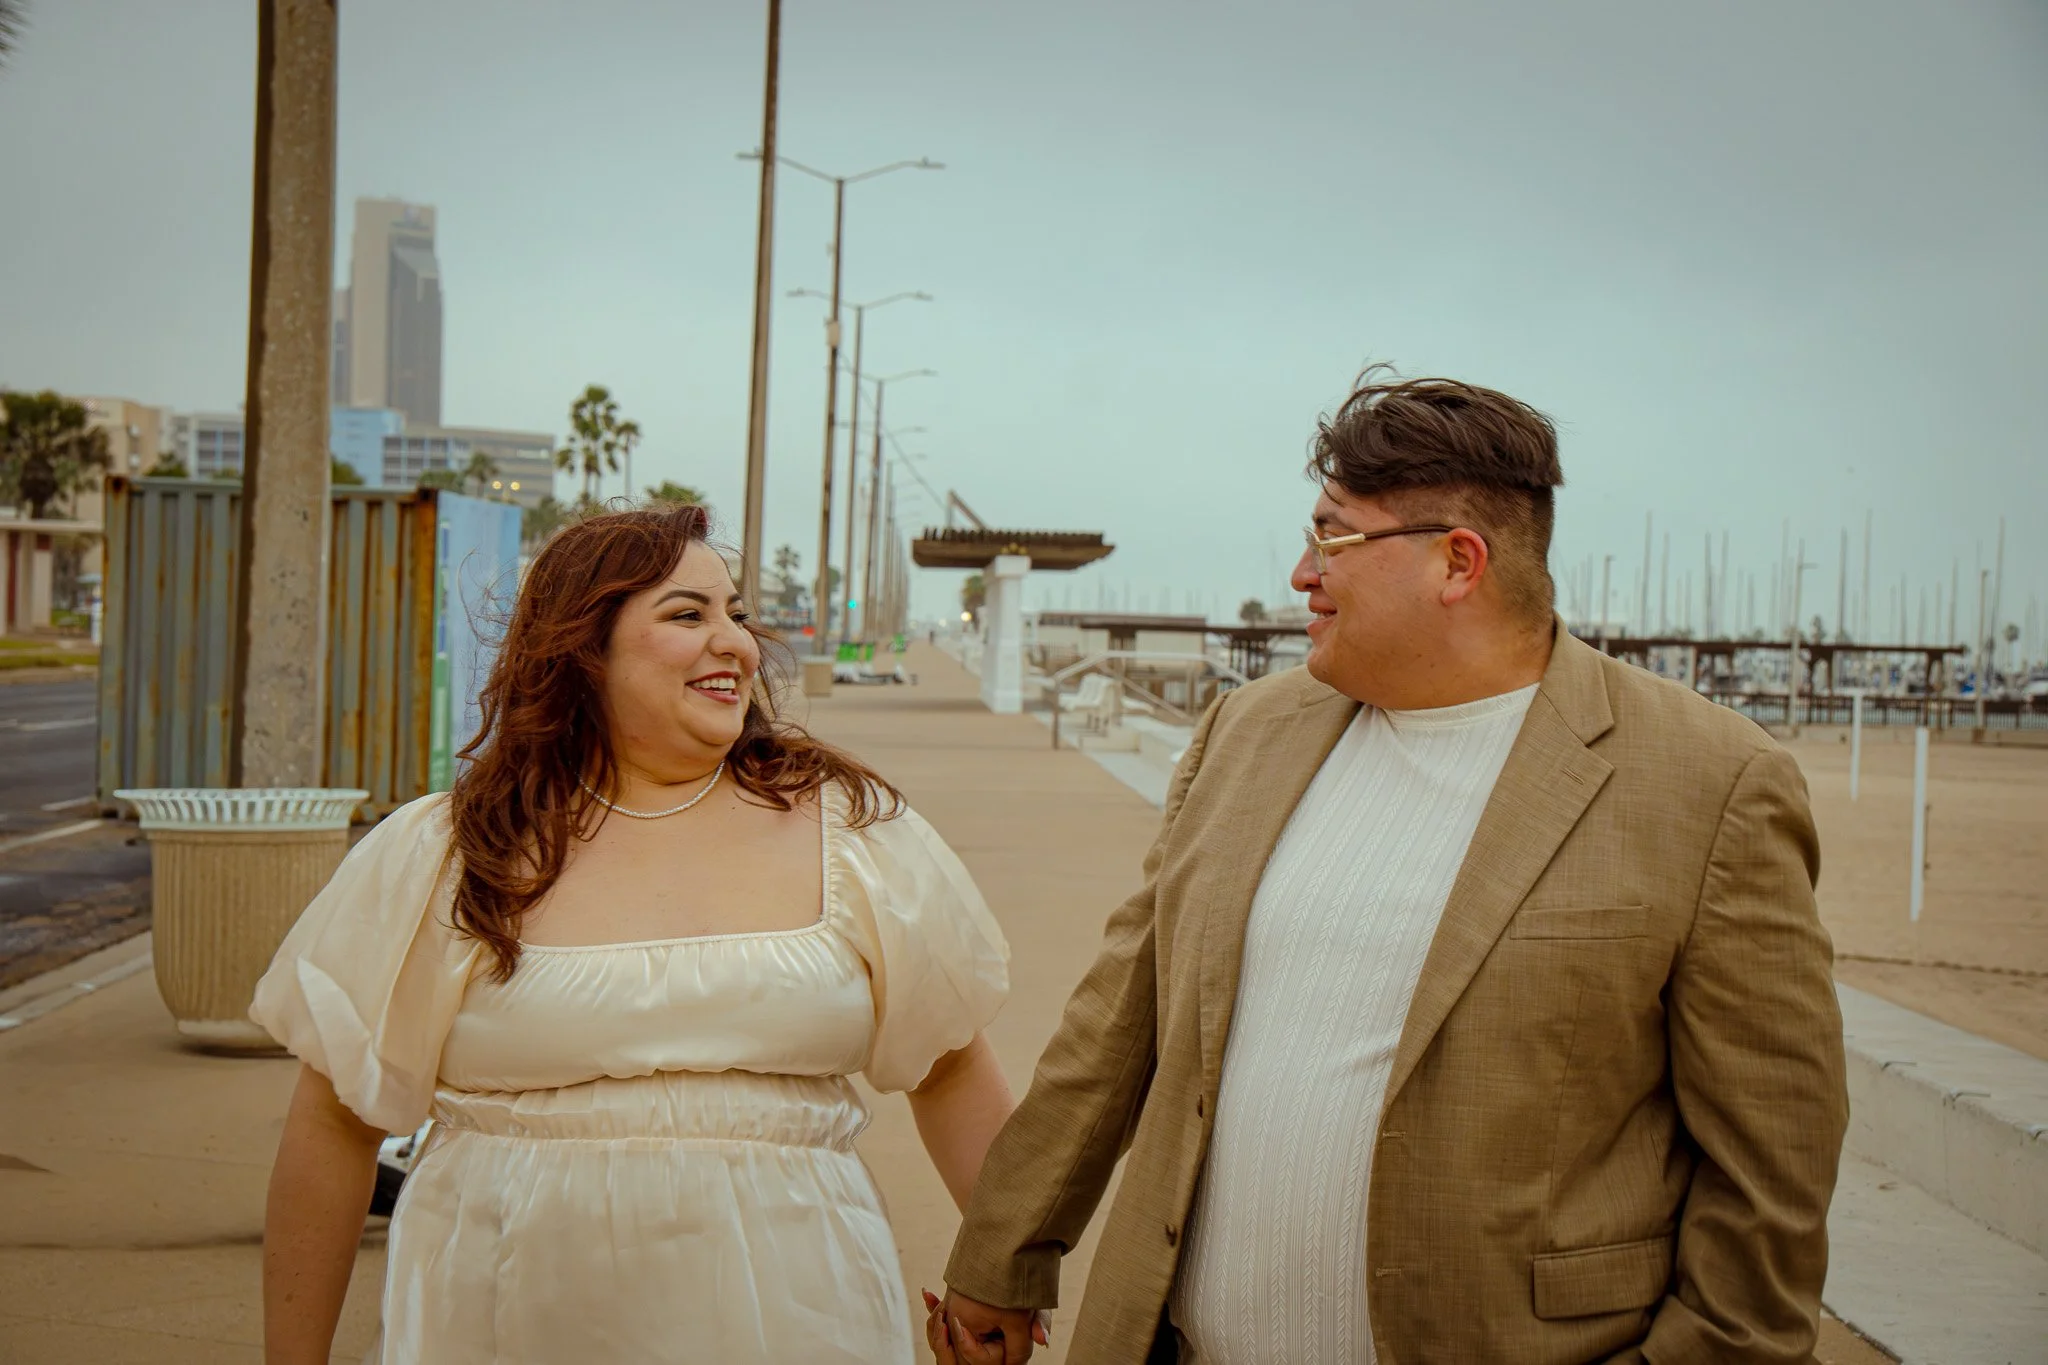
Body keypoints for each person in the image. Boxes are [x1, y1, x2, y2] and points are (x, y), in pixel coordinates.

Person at [933, 372, 1848, 1363]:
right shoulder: (1246, 730)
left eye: (1331, 539)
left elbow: (1771, 1166)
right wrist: (1000, 1255)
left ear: (1456, 562)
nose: (1300, 573)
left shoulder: (1710, 785)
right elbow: (1115, 1026)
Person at [255, 503, 1024, 1364]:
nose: (735, 643)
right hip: (498, 1324)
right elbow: (335, 1122)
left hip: (803, 1321)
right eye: (687, 614)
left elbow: (951, 1068)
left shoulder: (850, 830)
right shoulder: (451, 851)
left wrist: (1004, 1276)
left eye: (736, 613)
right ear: (582, 648)